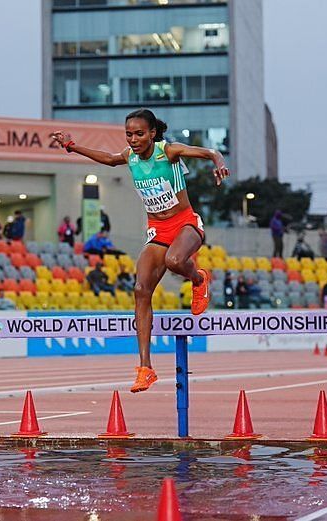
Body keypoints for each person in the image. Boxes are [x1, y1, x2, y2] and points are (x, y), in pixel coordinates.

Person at [51, 107, 228, 393]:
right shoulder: (129, 156)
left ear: (153, 133)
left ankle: (198, 279)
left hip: (185, 224)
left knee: (174, 261)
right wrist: (71, 147)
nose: (133, 139)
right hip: (158, 231)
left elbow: (207, 152)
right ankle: (145, 368)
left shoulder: (167, 151)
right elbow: (108, 159)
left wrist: (217, 159)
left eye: (139, 134)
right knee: (140, 289)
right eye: (129, 134)